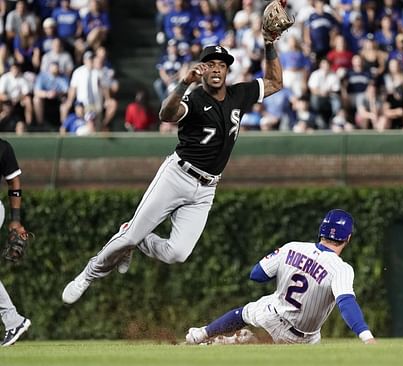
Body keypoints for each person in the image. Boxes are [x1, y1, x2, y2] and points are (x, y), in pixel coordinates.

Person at [61, 39, 285, 304]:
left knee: (177, 253)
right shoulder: (194, 96)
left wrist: (269, 44)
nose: (216, 69)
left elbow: (275, 82)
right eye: (210, 64)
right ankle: (89, 273)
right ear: (201, 69)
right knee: (129, 235)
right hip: (177, 176)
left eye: (221, 65)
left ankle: (141, 241)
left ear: (227, 71)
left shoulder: (239, 94)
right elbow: (166, 114)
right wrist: (183, 83)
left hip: (206, 189)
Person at [185, 209, 376, 345]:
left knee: (245, 312)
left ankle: (201, 335)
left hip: (272, 318)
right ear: (348, 238)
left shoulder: (292, 247)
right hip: (305, 339)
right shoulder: (341, 268)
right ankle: (239, 340)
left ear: (321, 232)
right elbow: (346, 304)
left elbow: (257, 275)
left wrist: (289, 266)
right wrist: (366, 337)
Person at [0, 138, 31, 346]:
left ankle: (13, 320)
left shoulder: (3, 147)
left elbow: (14, 182)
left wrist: (16, 219)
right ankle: (13, 320)